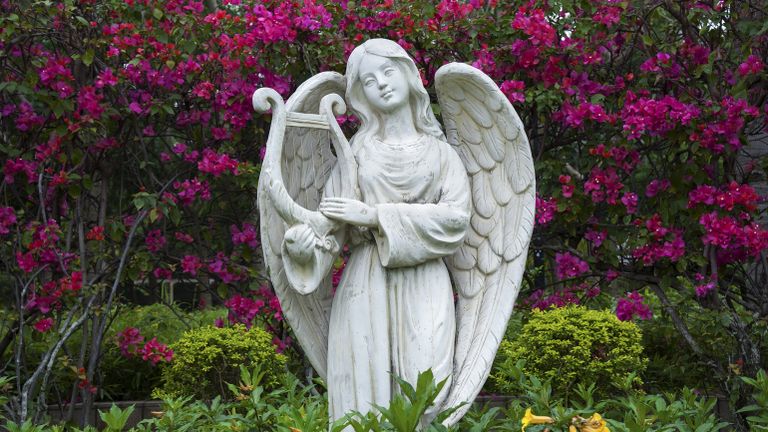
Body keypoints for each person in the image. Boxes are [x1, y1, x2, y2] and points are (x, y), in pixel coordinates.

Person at [283, 38, 471, 424]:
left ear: (408, 76)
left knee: (426, 392)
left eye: (388, 71)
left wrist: (374, 216)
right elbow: (329, 227)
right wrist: (303, 248)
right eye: (369, 80)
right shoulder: (357, 154)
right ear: (361, 94)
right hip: (366, 282)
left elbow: (455, 220)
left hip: (424, 281)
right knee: (364, 400)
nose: (382, 83)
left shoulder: (441, 155)